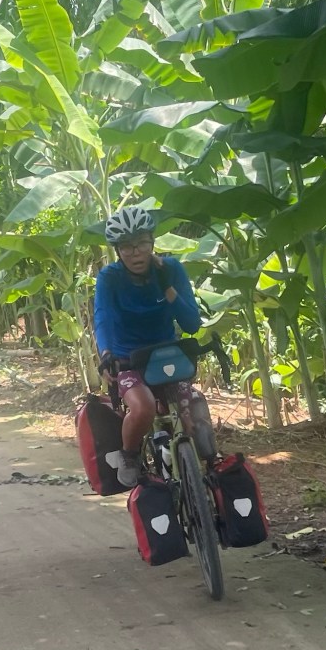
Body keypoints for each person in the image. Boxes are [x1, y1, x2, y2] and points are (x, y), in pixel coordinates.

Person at [93, 205, 203, 487]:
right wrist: (105, 353)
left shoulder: (172, 269)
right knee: (142, 409)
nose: (136, 252)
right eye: (126, 247)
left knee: (193, 412)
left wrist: (168, 288)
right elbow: (103, 317)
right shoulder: (110, 278)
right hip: (130, 360)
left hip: (168, 357)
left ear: (152, 242)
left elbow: (191, 323)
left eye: (141, 243)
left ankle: (198, 477)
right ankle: (129, 455)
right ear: (118, 251)